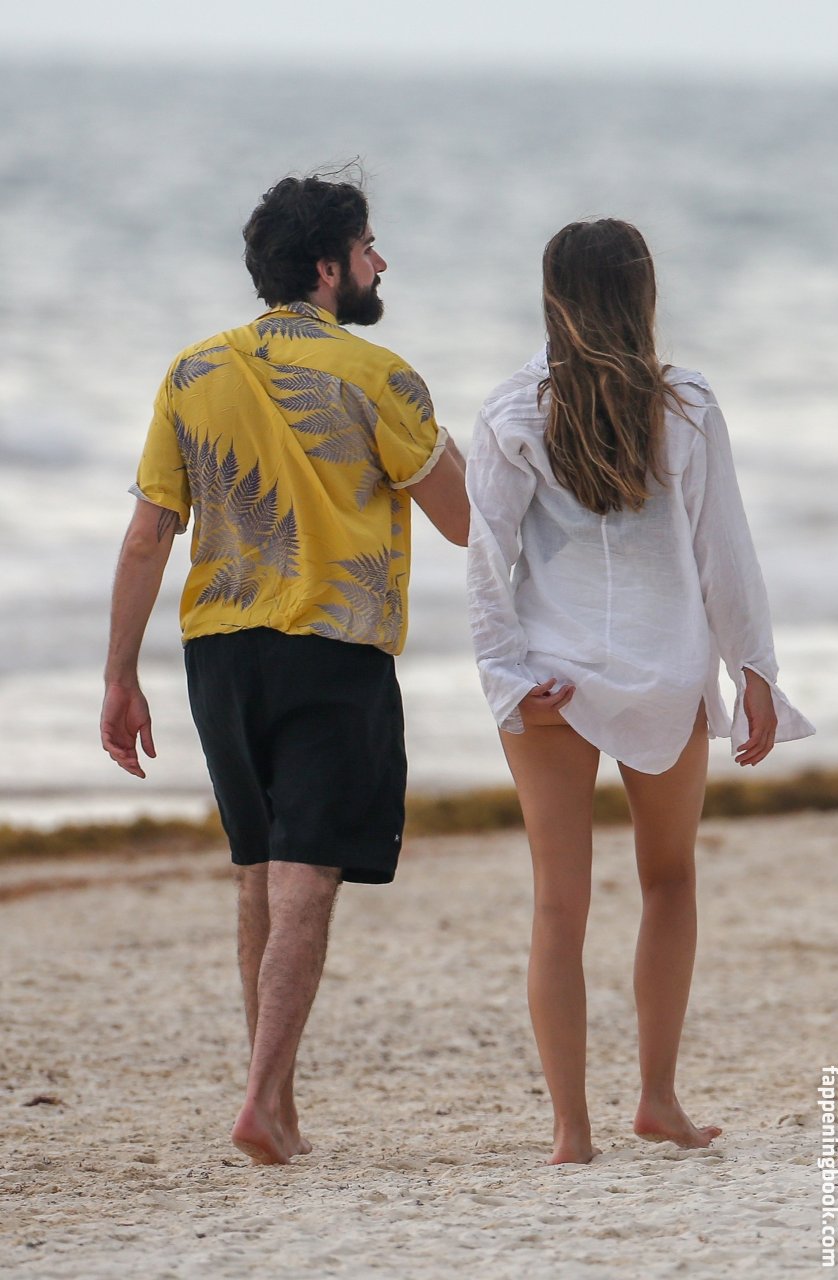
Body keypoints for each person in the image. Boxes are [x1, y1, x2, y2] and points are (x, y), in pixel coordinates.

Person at [100, 173, 469, 1166]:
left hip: (218, 654)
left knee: (260, 865)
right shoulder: (379, 373)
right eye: (367, 246)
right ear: (327, 267)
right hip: (331, 646)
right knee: (307, 869)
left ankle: (279, 1103)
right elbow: (464, 518)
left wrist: (118, 675)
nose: (380, 262)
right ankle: (263, 1101)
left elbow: (146, 535)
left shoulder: (191, 371)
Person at [466, 219, 814, 1166]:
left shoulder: (512, 408)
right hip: (664, 671)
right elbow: (723, 549)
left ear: (553, 297)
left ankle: (570, 1133)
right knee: (668, 880)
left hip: (551, 679)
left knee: (557, 905)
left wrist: (506, 676)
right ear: (642, 293)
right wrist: (754, 672)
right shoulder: (686, 405)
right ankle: (656, 1099)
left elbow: (486, 560)